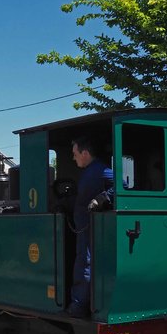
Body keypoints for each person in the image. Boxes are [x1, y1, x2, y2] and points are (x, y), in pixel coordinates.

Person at [68, 136, 114, 317]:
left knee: (85, 264)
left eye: (75, 154)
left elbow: (122, 186)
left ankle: (79, 306)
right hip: (84, 226)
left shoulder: (100, 170)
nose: (74, 158)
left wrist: (102, 198)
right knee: (83, 262)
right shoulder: (90, 171)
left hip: (90, 228)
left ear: (85, 153)